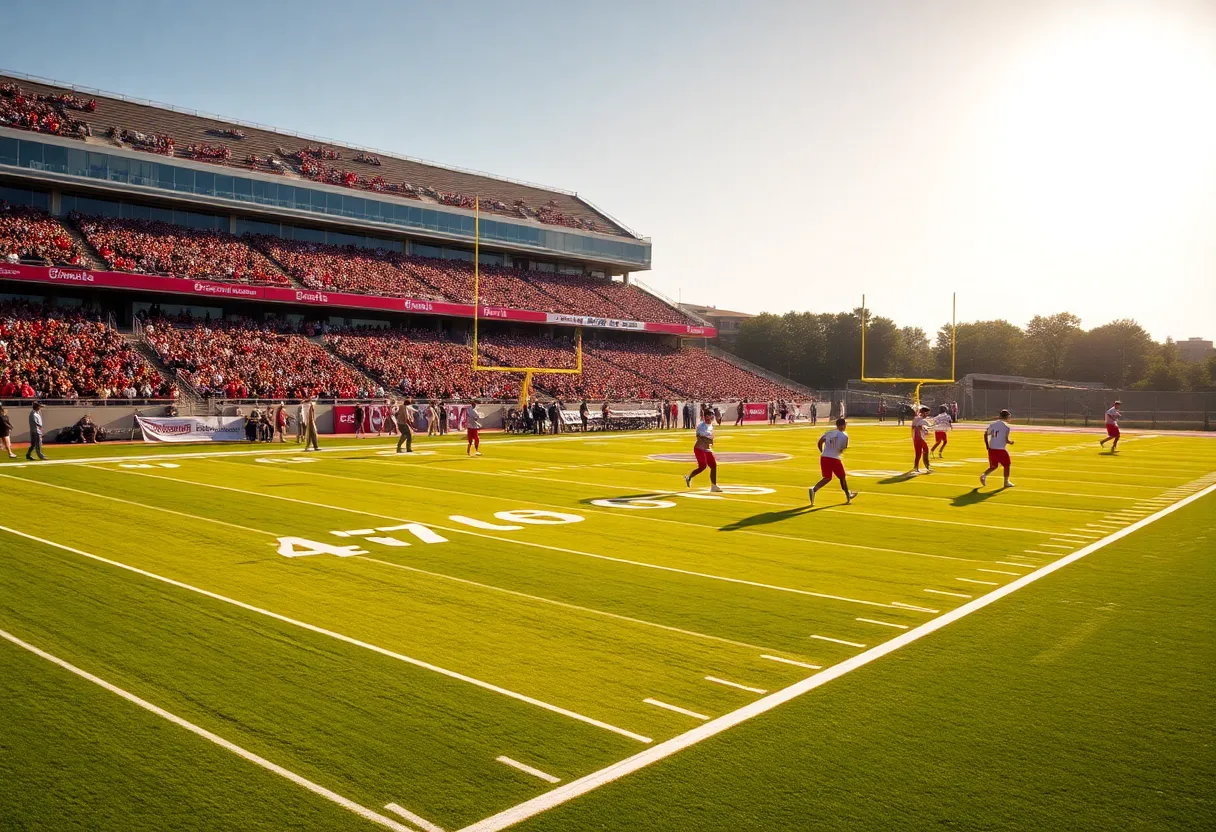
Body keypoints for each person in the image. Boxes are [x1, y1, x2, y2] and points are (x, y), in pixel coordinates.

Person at [809, 417, 856, 505]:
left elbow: (820, 442)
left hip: (824, 457)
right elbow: (842, 448)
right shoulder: (844, 435)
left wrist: (822, 451)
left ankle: (814, 489)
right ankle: (848, 495)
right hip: (834, 458)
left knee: (827, 477)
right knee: (842, 477)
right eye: (845, 424)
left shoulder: (829, 432)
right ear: (842, 425)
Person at [684, 406, 723, 492]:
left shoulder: (711, 425)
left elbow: (718, 422)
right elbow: (699, 437)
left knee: (713, 466)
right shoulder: (701, 426)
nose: (712, 417)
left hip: (707, 448)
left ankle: (713, 485)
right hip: (699, 448)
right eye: (710, 415)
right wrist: (709, 440)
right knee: (702, 467)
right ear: (706, 416)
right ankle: (689, 477)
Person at [980, 409, 1015, 488]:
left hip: (992, 449)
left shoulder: (993, 424)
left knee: (993, 466)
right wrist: (1011, 442)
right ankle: (1006, 482)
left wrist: (987, 445)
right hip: (1001, 449)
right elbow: (1006, 440)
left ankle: (983, 475)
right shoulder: (1006, 427)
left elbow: (985, 434)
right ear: (1006, 417)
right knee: (1007, 465)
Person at [910, 406, 933, 474]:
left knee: (925, 451)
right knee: (919, 453)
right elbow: (918, 427)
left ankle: (926, 467)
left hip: (920, 438)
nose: (927, 415)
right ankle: (916, 467)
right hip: (918, 438)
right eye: (927, 413)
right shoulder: (919, 419)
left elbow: (915, 427)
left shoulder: (918, 418)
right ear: (923, 413)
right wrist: (925, 430)